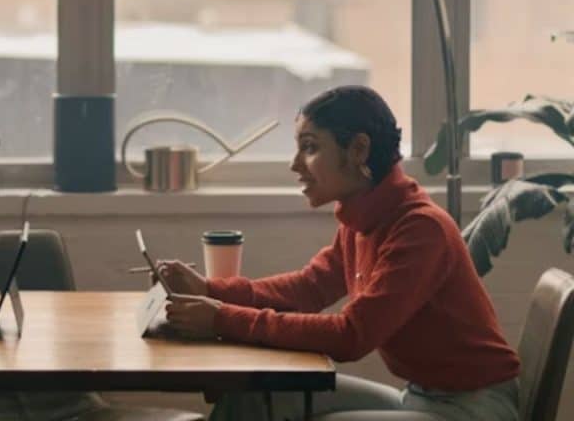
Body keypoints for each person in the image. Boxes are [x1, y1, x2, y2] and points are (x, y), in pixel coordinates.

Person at [160, 86, 520, 421]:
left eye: (310, 147)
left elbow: (351, 335)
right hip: (419, 397)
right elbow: (308, 288)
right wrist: (209, 289)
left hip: (473, 408)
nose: (295, 164)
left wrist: (221, 318)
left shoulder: (420, 229)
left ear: (358, 150)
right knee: (252, 396)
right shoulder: (362, 219)